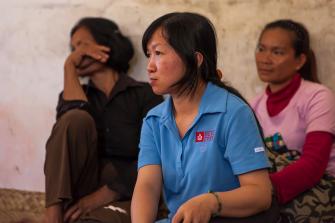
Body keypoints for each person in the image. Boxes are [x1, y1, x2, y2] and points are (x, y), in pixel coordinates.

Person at [131, 12, 280, 223]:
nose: (150, 66)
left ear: (196, 59)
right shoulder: (154, 120)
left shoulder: (233, 112)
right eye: (149, 54)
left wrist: (211, 202)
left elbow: (260, 194)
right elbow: (148, 185)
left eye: (159, 53)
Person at [44, 17, 163, 223]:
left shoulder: (145, 94)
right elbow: (65, 137)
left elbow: (159, 153)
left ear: (106, 45)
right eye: (73, 48)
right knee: (75, 118)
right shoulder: (75, 93)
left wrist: (106, 194)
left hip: (129, 192)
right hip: (80, 190)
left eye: (82, 45)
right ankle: (52, 218)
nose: (76, 53)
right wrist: (69, 68)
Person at [251, 19, 335, 221]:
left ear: (300, 60)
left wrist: (256, 193)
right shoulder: (253, 106)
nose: (265, 58)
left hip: (320, 191)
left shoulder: (318, 96)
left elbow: (313, 165)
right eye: (261, 49)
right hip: (273, 194)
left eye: (277, 52)